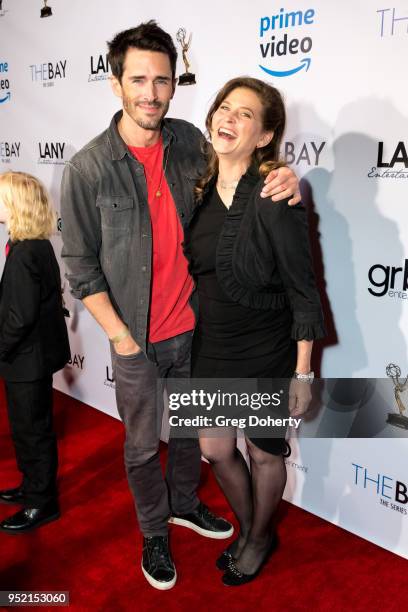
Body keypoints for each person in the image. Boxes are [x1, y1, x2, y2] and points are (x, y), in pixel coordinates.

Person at [60, 21, 300, 590]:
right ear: (115, 82)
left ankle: (186, 503)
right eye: (138, 79)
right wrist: (119, 337)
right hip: (135, 339)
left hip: (197, 331)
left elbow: (242, 176)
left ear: (174, 85)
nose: (151, 93)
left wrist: (282, 173)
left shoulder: (191, 141)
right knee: (144, 447)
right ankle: (153, 530)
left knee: (194, 436)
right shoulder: (88, 168)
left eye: (162, 80)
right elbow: (81, 266)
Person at [184, 77, 325, 585]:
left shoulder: (274, 195)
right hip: (213, 344)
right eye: (224, 107)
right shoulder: (196, 192)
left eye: (245, 114)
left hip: (267, 348)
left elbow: (304, 290)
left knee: (264, 451)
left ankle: (259, 536)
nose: (229, 118)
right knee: (218, 448)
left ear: (265, 136)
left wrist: (302, 373)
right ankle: (252, 526)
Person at [0, 171, 70, 534]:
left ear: (15, 204)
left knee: (32, 431)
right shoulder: (32, 243)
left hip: (26, 359)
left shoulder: (27, 251)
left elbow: (20, 316)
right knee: (28, 428)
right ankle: (32, 486)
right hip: (30, 356)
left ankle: (41, 503)